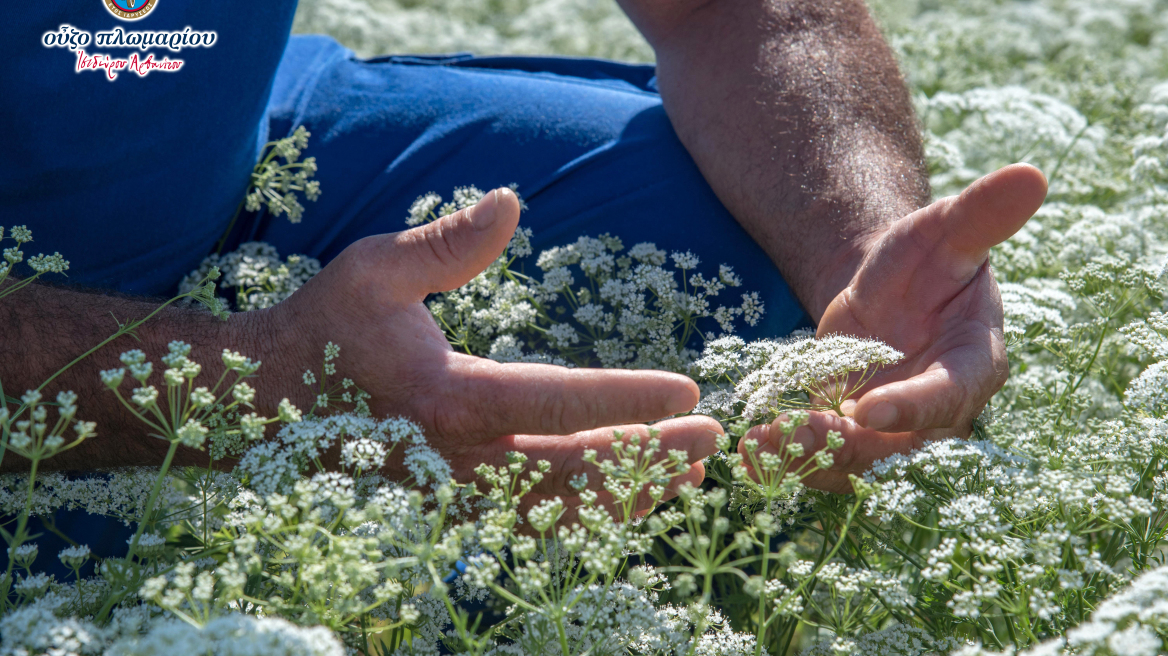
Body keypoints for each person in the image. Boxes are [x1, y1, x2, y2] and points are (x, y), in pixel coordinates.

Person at [1, 1, 1046, 564]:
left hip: (240, 155)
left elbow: (733, 12)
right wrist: (244, 384)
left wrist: (856, 253)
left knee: (733, 258)